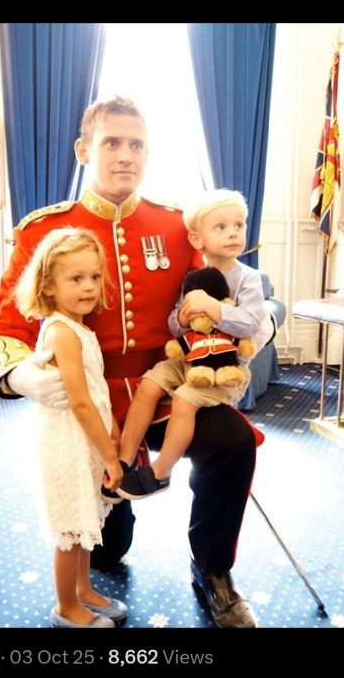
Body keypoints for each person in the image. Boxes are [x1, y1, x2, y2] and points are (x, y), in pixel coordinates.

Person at [0, 95, 261, 628]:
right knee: (109, 551)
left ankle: (214, 570)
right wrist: (19, 373)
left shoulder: (177, 225)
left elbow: (222, 288)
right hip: (88, 400)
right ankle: (105, 532)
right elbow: (6, 327)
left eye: (137, 144)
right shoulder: (42, 231)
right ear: (84, 150)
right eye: (112, 142)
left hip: (165, 389)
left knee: (233, 441)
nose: (126, 155)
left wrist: (254, 321)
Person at [110, 190, 271, 502]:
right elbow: (174, 323)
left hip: (225, 368)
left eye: (239, 225)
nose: (233, 232)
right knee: (150, 383)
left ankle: (160, 473)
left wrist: (213, 308)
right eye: (221, 227)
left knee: (184, 400)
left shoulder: (249, 279)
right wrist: (182, 318)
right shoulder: (193, 278)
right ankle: (126, 458)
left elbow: (251, 324)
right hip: (190, 358)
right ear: (197, 240)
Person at [13, 226, 127, 629]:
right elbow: (78, 401)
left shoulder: (79, 327)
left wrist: (112, 425)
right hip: (68, 444)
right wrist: (111, 456)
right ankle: (65, 607)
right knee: (70, 530)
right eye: (76, 279)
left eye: (94, 276)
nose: (89, 287)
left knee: (85, 520)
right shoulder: (61, 331)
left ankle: (83, 590)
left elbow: (95, 387)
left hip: (86, 441)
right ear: (48, 285)